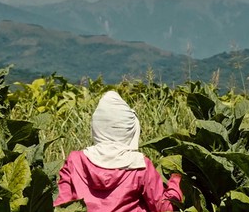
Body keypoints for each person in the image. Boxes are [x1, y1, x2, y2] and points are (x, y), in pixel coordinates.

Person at [53, 90, 183, 212]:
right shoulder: (139, 165)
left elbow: (61, 205)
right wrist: (176, 179)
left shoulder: (75, 160)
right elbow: (165, 208)